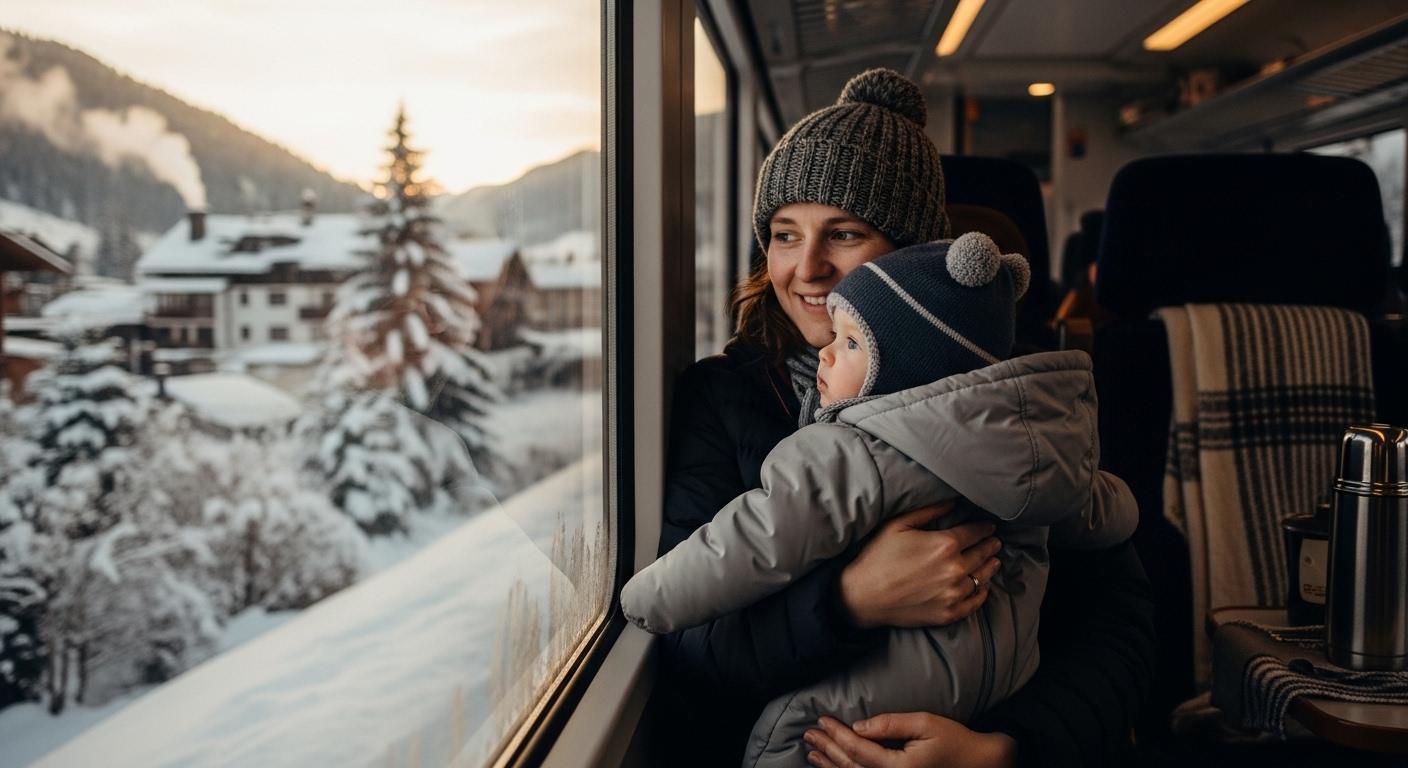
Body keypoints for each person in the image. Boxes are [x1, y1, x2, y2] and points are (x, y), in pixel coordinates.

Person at [649, 67, 1155, 768]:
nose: (807, 268)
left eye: (845, 233)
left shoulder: (1014, 390)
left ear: (915, 256)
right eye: (785, 234)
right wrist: (851, 602)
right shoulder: (722, 398)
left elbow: (1120, 624)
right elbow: (689, 640)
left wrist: (1001, 750)